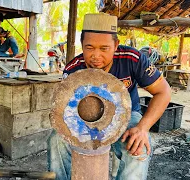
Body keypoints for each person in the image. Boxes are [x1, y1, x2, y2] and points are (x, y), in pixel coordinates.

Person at [47, 13, 171, 180]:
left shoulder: (133, 59)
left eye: (104, 48)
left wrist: (143, 128)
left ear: (116, 45)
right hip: (84, 120)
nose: (96, 56)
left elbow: (163, 92)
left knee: (138, 148)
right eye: (89, 47)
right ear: (82, 45)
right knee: (56, 141)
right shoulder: (73, 69)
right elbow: (65, 111)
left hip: (126, 117)